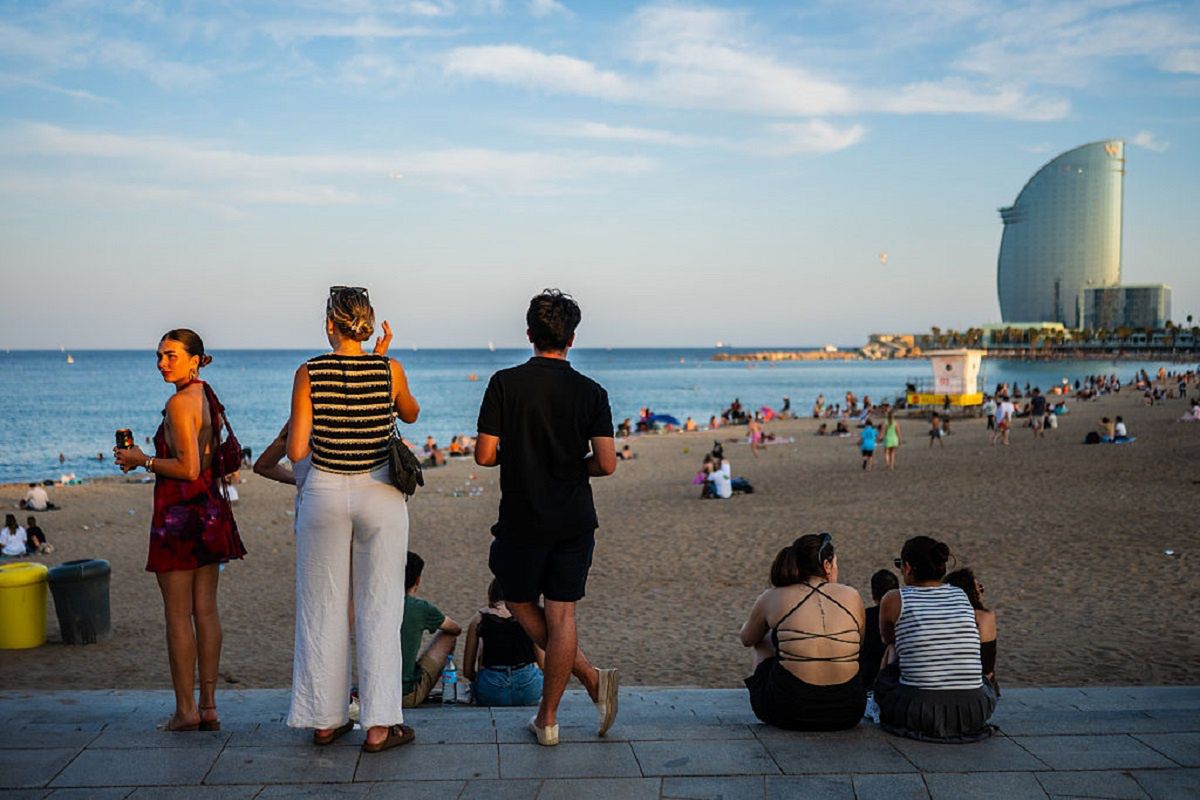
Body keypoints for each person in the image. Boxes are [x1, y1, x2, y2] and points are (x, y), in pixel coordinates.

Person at [474, 289, 619, 747]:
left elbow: (484, 456)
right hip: (574, 517)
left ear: (529, 334)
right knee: (562, 614)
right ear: (572, 338)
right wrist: (575, 465)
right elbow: (607, 462)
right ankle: (565, 705)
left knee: (518, 602)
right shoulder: (592, 392)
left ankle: (559, 709)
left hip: (521, 516)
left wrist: (520, 455)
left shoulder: (503, 383)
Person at [285, 288, 420, 753]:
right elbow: (411, 413)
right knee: (381, 606)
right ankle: (380, 726)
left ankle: (325, 719)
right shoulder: (389, 369)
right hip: (380, 493)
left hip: (324, 493)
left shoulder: (310, 372)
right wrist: (382, 364)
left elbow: (297, 450)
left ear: (329, 324)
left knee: (322, 604)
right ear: (368, 323)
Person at [113, 329, 246, 732]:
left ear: (195, 359)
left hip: (179, 515)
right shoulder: (205, 395)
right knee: (205, 609)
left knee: (177, 614)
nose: (162, 363)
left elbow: (187, 468)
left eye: (171, 355)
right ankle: (207, 706)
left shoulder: (178, 403)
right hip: (209, 509)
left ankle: (185, 710)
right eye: (159, 356)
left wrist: (142, 460)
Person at [739, 533, 867, 730]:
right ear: (826, 565)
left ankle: (770, 692)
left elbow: (747, 639)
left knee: (762, 640)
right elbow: (859, 644)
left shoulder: (773, 596)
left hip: (790, 711)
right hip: (848, 710)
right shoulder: (852, 595)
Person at [875, 536, 997, 742]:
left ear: (907, 567)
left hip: (919, 711)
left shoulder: (894, 599)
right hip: (974, 710)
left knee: (893, 650)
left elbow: (888, 638)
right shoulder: (960, 595)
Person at [463, 579, 545, 706]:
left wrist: (480, 678)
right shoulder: (529, 617)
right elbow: (543, 664)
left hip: (491, 690)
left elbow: (467, 671)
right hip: (528, 689)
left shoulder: (479, 619)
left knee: (482, 644)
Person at [401, 553, 463, 707]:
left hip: (371, 694)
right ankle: (436, 689)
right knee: (448, 637)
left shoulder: (372, 603)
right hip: (405, 696)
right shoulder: (420, 608)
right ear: (418, 580)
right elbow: (455, 629)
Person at [944, 568, 998, 694]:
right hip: (977, 689)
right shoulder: (984, 617)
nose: (981, 592)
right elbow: (987, 664)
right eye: (979, 588)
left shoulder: (939, 615)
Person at [859, 569, 899, 693]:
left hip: (867, 680)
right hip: (896, 682)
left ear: (873, 595)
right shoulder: (903, 616)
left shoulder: (866, 616)